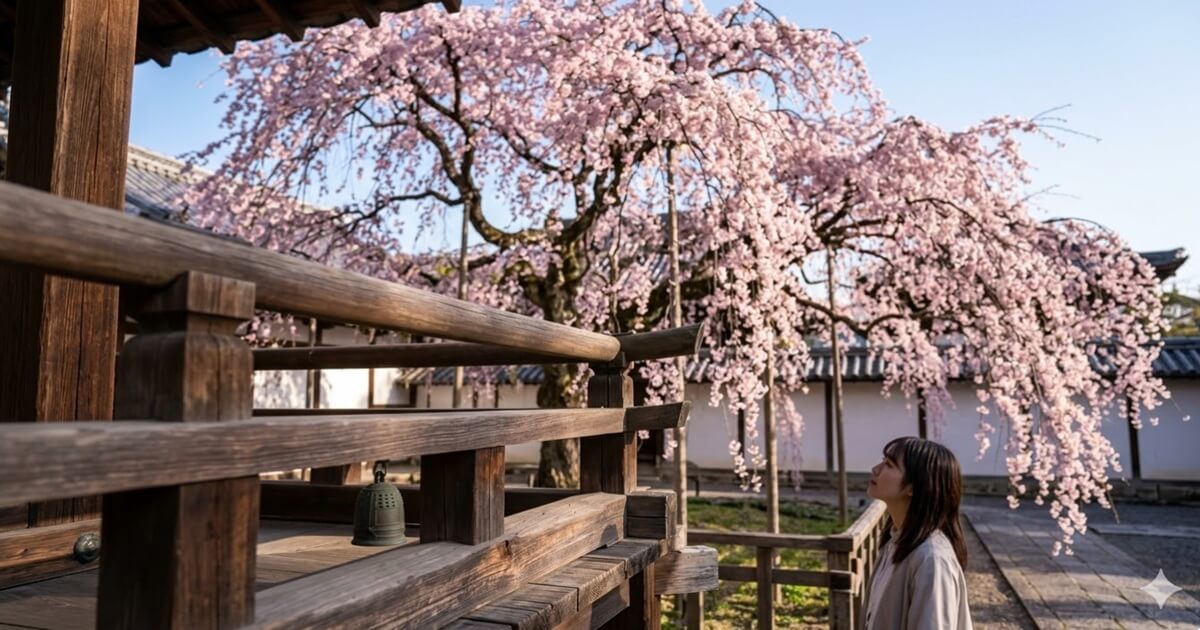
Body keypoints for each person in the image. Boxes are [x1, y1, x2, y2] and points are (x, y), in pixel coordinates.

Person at [864, 436, 973, 629]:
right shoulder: (895, 541)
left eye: (889, 464)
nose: (876, 469)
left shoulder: (931, 559)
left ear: (913, 487)